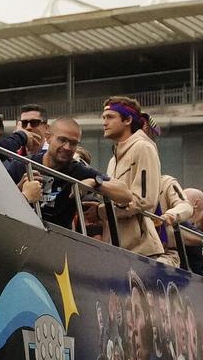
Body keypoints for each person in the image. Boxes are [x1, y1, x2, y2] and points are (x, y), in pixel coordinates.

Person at [100, 97, 165, 260]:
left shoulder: (143, 147)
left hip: (141, 251)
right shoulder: (113, 159)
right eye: (103, 117)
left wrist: (102, 211)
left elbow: (145, 201)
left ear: (128, 119)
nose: (104, 122)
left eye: (110, 117)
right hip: (117, 250)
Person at [17, 117, 101, 230]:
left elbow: (124, 193)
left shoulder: (78, 170)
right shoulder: (22, 165)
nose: (67, 147)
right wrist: (20, 191)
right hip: (21, 234)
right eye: (62, 140)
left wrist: (94, 182)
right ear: (48, 137)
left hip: (59, 240)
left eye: (73, 143)